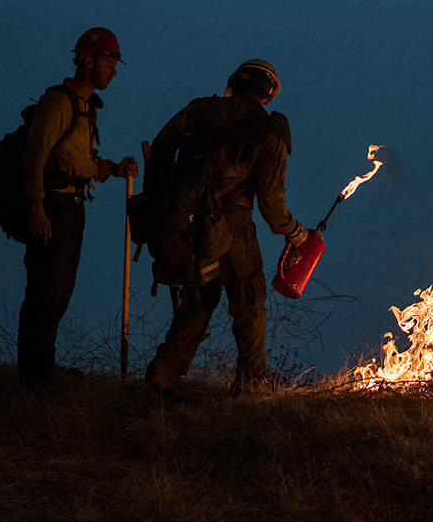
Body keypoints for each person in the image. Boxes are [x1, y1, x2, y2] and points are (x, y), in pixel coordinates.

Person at [144, 58, 309, 399]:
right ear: (268, 95)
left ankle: (165, 371)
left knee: (199, 295)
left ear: (235, 82)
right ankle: (252, 384)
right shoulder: (268, 130)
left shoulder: (202, 109)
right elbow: (271, 205)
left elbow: (160, 146)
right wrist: (296, 234)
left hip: (179, 218)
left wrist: (161, 200)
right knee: (249, 299)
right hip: (230, 223)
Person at [19, 26, 138, 389]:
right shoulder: (60, 102)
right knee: (45, 289)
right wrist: (36, 209)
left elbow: (81, 160)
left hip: (73, 205)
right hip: (53, 204)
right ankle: (35, 376)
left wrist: (115, 170)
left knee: (60, 288)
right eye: (109, 61)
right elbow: (35, 155)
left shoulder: (86, 107)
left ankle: (43, 369)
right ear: (88, 61)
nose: (114, 71)